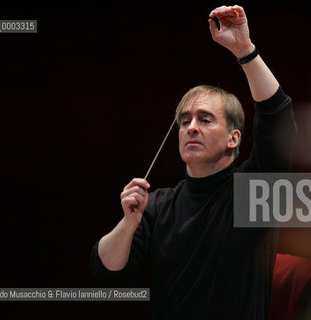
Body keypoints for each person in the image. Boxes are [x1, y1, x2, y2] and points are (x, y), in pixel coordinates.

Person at [90, 5, 297, 319]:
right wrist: (128, 225)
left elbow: (278, 118)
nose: (191, 127)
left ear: (234, 138)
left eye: (205, 119)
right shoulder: (156, 206)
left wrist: (245, 50)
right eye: (184, 121)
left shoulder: (254, 193)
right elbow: (106, 274)